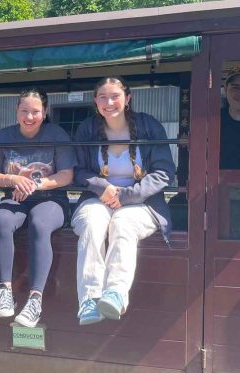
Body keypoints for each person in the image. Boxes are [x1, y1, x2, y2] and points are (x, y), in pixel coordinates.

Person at [71, 77, 176, 326]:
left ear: (128, 98)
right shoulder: (87, 128)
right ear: (95, 101)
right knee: (92, 222)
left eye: (115, 96)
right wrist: (102, 187)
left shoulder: (148, 125)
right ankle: (89, 299)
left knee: (123, 222)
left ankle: (115, 294)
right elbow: (77, 170)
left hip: (143, 202)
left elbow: (164, 172)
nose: (109, 103)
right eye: (103, 97)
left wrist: (127, 196)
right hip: (99, 198)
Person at [0, 88, 76, 328]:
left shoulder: (57, 134)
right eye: (24, 111)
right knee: (1, 218)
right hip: (15, 197)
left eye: (35, 112)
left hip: (51, 199)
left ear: (44, 112)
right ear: (17, 111)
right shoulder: (3, 136)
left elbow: (66, 175)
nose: (29, 117)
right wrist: (14, 179)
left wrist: (34, 185)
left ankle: (35, 300)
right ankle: (5, 291)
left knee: (39, 224)